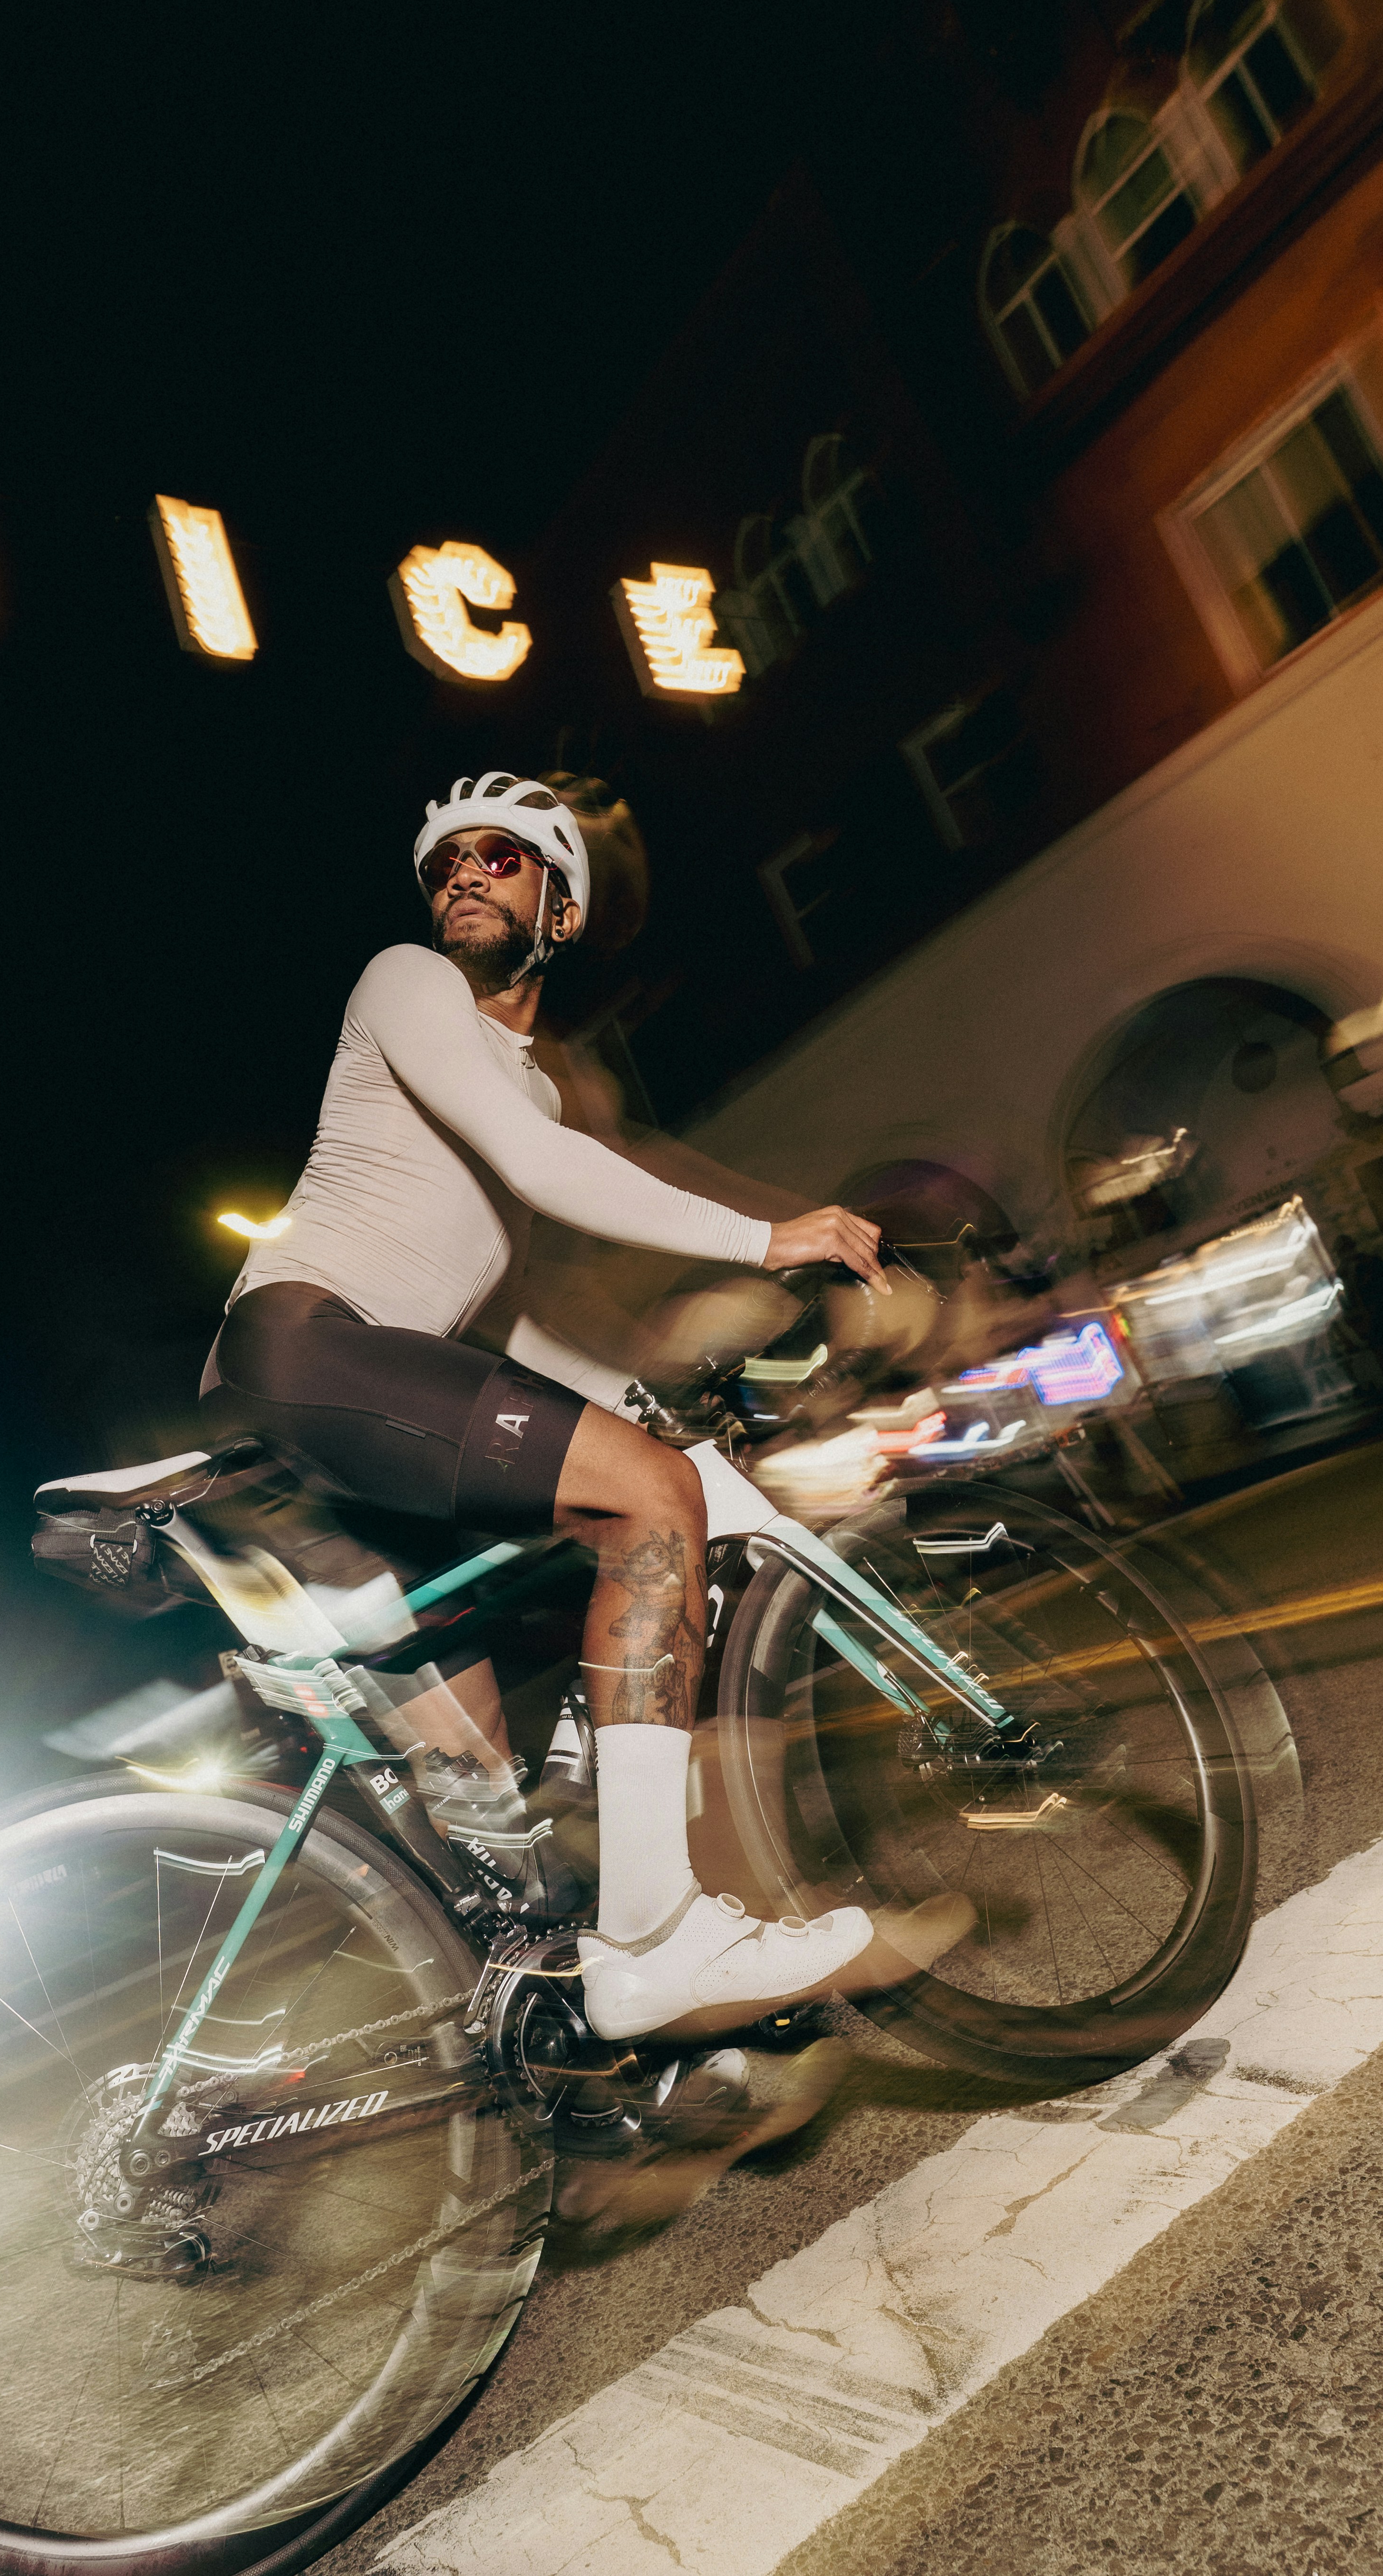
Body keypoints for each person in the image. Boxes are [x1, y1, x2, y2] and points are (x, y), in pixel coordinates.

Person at [121, 775, 885, 2040]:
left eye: (499, 857)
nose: (461, 876)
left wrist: (639, 1409)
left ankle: (543, 2050)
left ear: (564, 910)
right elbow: (544, 1174)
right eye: (442, 867)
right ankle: (657, 1938)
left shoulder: (531, 1084)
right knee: (651, 1502)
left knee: (495, 1824)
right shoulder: (406, 985)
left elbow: (498, 1315)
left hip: (363, 1408)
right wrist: (766, 1240)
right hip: (315, 1355)